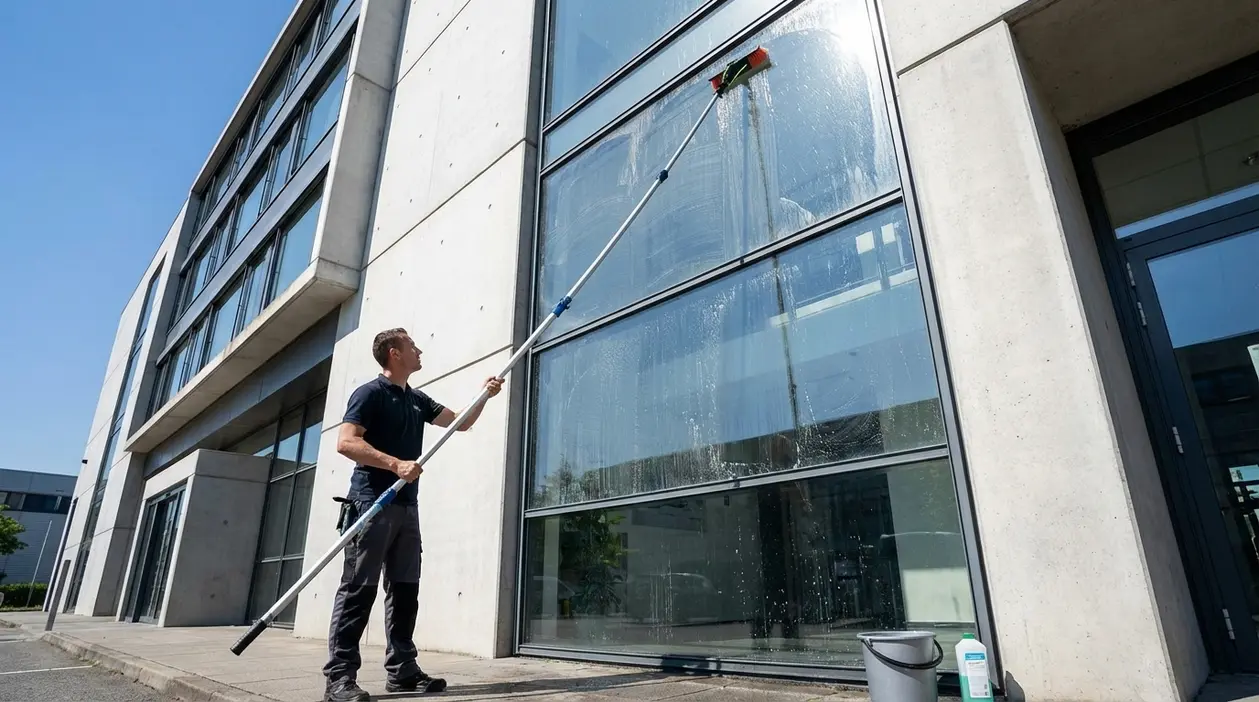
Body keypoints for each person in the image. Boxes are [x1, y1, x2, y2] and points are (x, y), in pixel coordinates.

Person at [323, 328, 502, 702]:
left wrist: (484, 394)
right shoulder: (369, 394)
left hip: (407, 508)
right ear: (395, 354)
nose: (419, 351)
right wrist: (394, 463)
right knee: (358, 591)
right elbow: (346, 442)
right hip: (372, 503)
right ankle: (339, 679)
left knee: (405, 591)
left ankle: (402, 671)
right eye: (412, 346)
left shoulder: (416, 399)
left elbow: (461, 422)